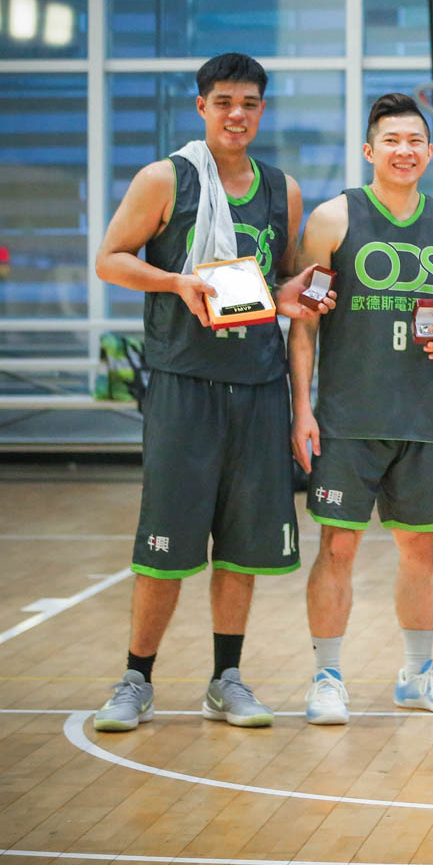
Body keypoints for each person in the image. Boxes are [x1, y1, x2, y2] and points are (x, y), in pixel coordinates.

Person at [91, 53, 334, 733]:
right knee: (165, 543)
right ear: (201, 107)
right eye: (224, 101)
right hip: (184, 383)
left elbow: (283, 290)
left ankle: (226, 678)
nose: (237, 114)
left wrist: (298, 307)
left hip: (258, 385)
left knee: (242, 545)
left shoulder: (282, 190)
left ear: (262, 110)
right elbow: (109, 259)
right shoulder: (165, 178)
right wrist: (176, 282)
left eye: (249, 103)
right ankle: (136, 678)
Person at [290, 92, 433, 724]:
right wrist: (302, 409)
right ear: (369, 150)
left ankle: (417, 676)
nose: (404, 151)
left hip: (419, 418)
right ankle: (326, 678)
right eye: (392, 140)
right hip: (347, 419)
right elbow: (304, 323)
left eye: (415, 141)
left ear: (430, 152)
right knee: (337, 548)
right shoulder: (333, 219)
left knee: (423, 553)